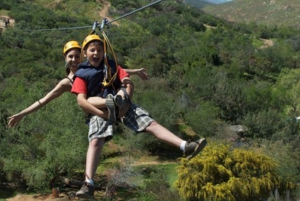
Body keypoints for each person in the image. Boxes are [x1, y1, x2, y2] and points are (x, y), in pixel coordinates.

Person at [71, 34, 207, 198]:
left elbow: (128, 82)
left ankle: (186, 146)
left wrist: (126, 100)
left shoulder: (112, 65)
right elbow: (81, 101)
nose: (96, 53)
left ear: (104, 52)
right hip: (99, 109)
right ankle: (88, 184)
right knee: (95, 141)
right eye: (92, 50)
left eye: (99, 50)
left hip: (121, 105)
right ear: (85, 53)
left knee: (150, 124)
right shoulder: (82, 73)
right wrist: (102, 113)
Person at [7, 40, 149, 128]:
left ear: (83, 56)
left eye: (77, 56)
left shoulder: (90, 67)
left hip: (111, 104)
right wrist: (22, 114)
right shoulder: (67, 82)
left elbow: (113, 71)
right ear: (65, 58)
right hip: (97, 110)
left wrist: (135, 71)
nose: (74, 60)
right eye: (71, 57)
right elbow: (43, 100)